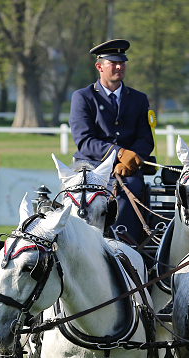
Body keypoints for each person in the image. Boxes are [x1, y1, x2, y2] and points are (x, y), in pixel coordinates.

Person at [69, 39, 154, 244]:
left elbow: (145, 139)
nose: (119, 67)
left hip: (128, 169)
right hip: (91, 165)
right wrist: (119, 153)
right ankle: (81, 243)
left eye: (122, 62)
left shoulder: (138, 98)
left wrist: (129, 161)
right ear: (99, 66)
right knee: (86, 195)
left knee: (132, 187)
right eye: (113, 63)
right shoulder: (83, 97)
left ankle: (125, 245)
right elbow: (84, 141)